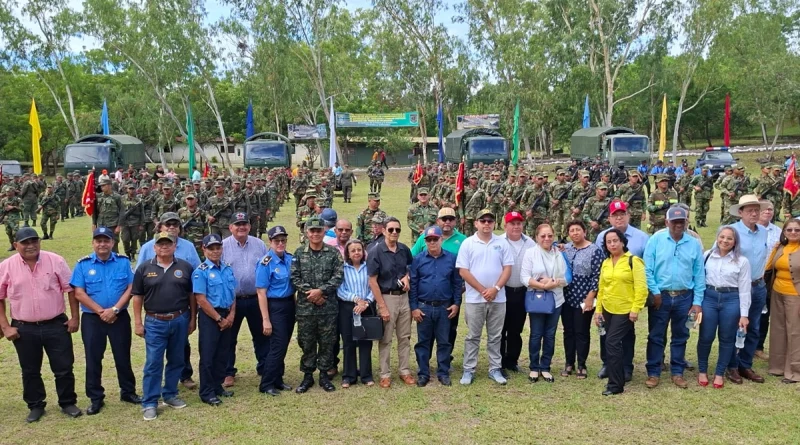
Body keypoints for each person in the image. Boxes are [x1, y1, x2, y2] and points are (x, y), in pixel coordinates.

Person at [0, 227, 82, 422]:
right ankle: (36, 405)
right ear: (15, 245)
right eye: (25, 242)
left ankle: (67, 402)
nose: (31, 246)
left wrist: (74, 317)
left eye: (34, 241)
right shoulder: (7, 266)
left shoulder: (55, 260)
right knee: (30, 370)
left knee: (63, 366)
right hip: (23, 328)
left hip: (56, 324)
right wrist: (5, 327)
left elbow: (70, 290)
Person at [70, 227, 140, 415]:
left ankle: (128, 392)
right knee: (93, 359)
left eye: (106, 240)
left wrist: (115, 309)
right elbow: (78, 292)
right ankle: (95, 398)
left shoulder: (123, 262)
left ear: (112, 242)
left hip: (119, 317)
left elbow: (131, 287)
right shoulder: (83, 265)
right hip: (93, 319)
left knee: (122, 356)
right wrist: (101, 311)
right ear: (93, 243)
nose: (102, 244)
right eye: (98, 240)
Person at [131, 231, 196, 421]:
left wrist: (193, 319)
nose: (164, 247)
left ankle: (169, 394)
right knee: (153, 363)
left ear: (175, 246)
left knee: (177, 360)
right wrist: (137, 322)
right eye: (161, 244)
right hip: (155, 322)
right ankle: (150, 402)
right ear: (154, 247)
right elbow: (137, 297)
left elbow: (192, 296)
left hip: (180, 319)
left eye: (168, 243)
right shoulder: (144, 268)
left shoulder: (185, 267)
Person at [136, 212, 201, 389]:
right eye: (168, 224)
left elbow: (196, 274)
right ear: (160, 227)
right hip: (156, 313)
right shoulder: (148, 247)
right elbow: (139, 278)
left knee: (181, 348)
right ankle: (152, 396)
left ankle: (185, 376)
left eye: (175, 224)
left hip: (181, 309)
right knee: (154, 357)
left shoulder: (188, 247)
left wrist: (194, 313)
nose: (171, 227)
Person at [643, 206, 705, 389]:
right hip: (660, 296)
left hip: (684, 297)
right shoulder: (655, 240)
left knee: (681, 335)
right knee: (656, 336)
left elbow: (699, 274)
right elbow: (647, 269)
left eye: (682, 221)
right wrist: (654, 292)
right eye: (675, 221)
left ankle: (677, 372)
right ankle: (653, 372)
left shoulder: (693, 243)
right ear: (667, 222)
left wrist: (697, 302)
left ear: (687, 222)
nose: (679, 225)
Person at [456, 209, 514, 385]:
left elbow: (507, 268)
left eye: (490, 221)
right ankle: (468, 370)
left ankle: (495, 368)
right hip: (475, 299)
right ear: (476, 223)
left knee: (495, 336)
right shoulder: (468, 243)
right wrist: (483, 290)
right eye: (483, 221)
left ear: (494, 224)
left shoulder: (502, 243)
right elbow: (463, 271)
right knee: (473, 336)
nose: (486, 224)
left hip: (498, 298)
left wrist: (495, 289)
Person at [290, 217, 344, 393]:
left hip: (327, 307)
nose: (315, 234)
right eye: (312, 231)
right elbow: (294, 277)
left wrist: (321, 291)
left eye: (318, 230)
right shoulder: (299, 253)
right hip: (306, 309)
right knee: (306, 342)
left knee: (328, 341)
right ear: (307, 232)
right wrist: (312, 294)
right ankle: (307, 376)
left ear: (323, 232)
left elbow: (338, 276)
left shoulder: (333, 253)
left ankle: (324, 375)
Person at [595, 201, 648, 379]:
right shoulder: (602, 236)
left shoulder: (642, 238)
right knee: (606, 334)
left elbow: (645, 273)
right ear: (609, 218)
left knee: (626, 336)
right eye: (615, 215)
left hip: (628, 299)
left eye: (622, 214)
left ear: (628, 215)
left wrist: (636, 306)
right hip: (609, 299)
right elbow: (602, 269)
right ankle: (607, 364)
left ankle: (626, 366)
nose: (619, 217)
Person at [697, 226, 751, 389]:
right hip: (710, 298)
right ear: (717, 237)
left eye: (729, 238)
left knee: (727, 339)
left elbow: (745, 289)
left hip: (731, 299)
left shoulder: (742, 261)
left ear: (735, 242)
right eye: (722, 237)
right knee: (706, 337)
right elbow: (699, 280)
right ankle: (702, 371)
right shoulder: (707, 256)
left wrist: (744, 314)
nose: (725, 241)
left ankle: (720, 373)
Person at [410, 226, 464, 387]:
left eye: (435, 239)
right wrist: (414, 307)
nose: (432, 242)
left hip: (444, 307)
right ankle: (423, 373)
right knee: (423, 342)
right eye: (429, 240)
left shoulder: (452, 258)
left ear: (441, 239)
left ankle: (443, 372)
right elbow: (413, 285)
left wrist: (456, 304)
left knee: (444, 342)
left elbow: (456, 283)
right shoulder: (418, 259)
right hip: (424, 307)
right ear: (425, 241)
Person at [222, 212, 269, 388]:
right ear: (230, 227)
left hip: (256, 298)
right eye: (237, 224)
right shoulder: (222, 246)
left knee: (261, 335)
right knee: (229, 337)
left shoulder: (259, 244)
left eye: (244, 224)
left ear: (249, 226)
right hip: (232, 301)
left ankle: (264, 367)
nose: (241, 227)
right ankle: (228, 372)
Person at [367, 217, 415, 388]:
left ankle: (404, 370)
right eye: (391, 229)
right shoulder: (375, 251)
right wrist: (382, 306)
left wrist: (407, 277)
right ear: (383, 230)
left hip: (404, 297)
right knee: (386, 338)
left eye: (397, 230)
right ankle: (385, 374)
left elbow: (410, 268)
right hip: (386, 297)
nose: (394, 233)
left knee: (405, 336)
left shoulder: (404, 250)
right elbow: (372, 281)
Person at [726, 195, 769, 385]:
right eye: (749, 210)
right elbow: (719, 256)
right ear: (741, 212)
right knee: (735, 327)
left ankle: (745, 364)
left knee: (754, 327)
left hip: (758, 285)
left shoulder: (763, 232)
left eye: (756, 210)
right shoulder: (731, 232)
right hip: (737, 289)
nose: (754, 213)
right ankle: (731, 366)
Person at [521, 224, 569, 383]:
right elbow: (525, 277)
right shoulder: (531, 253)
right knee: (536, 334)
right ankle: (534, 367)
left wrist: (554, 282)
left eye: (550, 235)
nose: (547, 239)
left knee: (550, 335)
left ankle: (546, 366)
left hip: (556, 300)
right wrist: (543, 286)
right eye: (543, 236)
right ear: (536, 237)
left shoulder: (560, 253)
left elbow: (568, 278)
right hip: (538, 300)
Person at [192, 234, 237, 406]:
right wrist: (219, 319)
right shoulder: (201, 272)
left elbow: (233, 294)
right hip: (211, 316)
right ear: (204, 249)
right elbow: (201, 300)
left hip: (227, 314)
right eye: (211, 248)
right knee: (208, 355)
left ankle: (217, 386)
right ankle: (206, 391)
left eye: (218, 247)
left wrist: (231, 315)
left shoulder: (227, 268)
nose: (215, 251)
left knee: (222, 353)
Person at [256, 226, 297, 396]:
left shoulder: (290, 259)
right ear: (270, 242)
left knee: (284, 343)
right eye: (276, 241)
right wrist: (266, 319)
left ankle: (278, 379)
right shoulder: (265, 262)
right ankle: (266, 383)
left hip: (289, 304)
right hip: (275, 306)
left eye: (283, 240)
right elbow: (261, 292)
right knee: (277, 346)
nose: (280, 243)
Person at [561, 220, 604, 379]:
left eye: (578, 230)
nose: (575, 233)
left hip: (585, 297)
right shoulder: (566, 248)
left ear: (584, 232)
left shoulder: (594, 250)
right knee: (568, 331)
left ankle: (581, 364)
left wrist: (590, 297)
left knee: (581, 331)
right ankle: (569, 362)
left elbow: (597, 275)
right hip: (567, 297)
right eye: (571, 230)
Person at [499, 211, 536, 374]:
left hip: (522, 291)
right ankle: (498, 362)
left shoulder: (530, 243)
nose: (516, 226)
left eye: (518, 223)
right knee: (500, 329)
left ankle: (512, 360)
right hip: (502, 290)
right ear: (505, 225)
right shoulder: (498, 242)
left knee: (516, 329)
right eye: (512, 223)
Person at [337, 239, 376, 388]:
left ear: (363, 251)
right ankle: (349, 375)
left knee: (365, 341)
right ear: (347, 253)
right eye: (353, 250)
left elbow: (374, 286)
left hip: (366, 307)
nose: (356, 253)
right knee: (348, 342)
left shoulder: (369, 267)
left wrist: (366, 302)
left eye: (359, 250)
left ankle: (366, 375)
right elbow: (340, 289)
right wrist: (356, 300)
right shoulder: (343, 268)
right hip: (348, 307)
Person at [765, 219, 800, 383]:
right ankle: (777, 366)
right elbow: (769, 267)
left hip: (795, 295)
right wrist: (774, 249)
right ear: (784, 232)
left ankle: (794, 371)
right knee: (778, 329)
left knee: (795, 331)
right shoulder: (781, 247)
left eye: (797, 230)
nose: (793, 233)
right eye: (789, 230)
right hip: (777, 292)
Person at [757, 200, 781, 359]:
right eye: (764, 209)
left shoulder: (779, 231)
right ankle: (741, 346)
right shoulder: (749, 229)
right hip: (750, 275)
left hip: (769, 276)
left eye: (770, 209)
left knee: (765, 313)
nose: (768, 212)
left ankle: (758, 347)